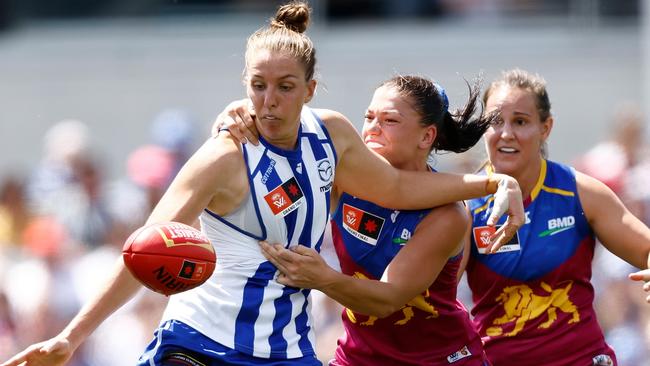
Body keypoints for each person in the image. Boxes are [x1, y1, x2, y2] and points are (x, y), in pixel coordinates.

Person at [1, 3, 523, 366]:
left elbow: (396, 189)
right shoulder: (223, 155)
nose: (267, 100)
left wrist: (498, 185)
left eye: (284, 87)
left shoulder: (332, 136)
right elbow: (141, 252)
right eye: (257, 86)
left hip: (286, 350)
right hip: (200, 344)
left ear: (310, 90)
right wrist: (71, 338)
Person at [253, 75, 494, 365]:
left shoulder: (449, 214)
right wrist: (242, 114)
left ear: (426, 136)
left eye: (389, 121)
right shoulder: (340, 180)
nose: (372, 129)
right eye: (369, 117)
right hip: (359, 356)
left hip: (440, 358)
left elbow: (387, 299)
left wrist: (322, 278)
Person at [462, 68, 650, 366]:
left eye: (520, 121)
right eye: (495, 121)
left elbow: (645, 248)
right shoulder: (465, 205)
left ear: (546, 128)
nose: (506, 133)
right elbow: (438, 298)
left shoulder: (579, 192)